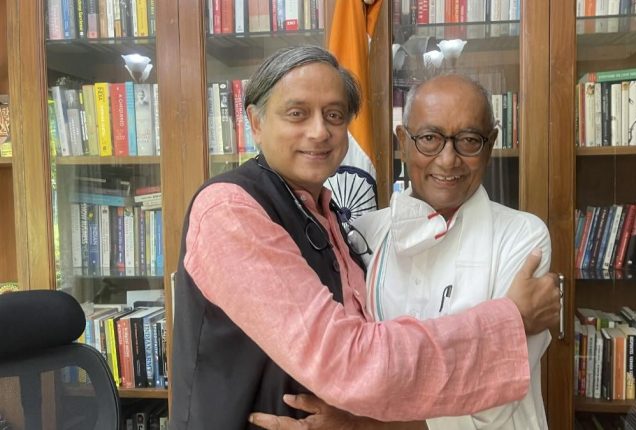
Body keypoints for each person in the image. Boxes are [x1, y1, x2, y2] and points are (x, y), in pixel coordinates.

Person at [169, 46, 560, 430]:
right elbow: (350, 361)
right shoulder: (232, 210)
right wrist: (510, 319)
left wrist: (362, 425)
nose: (319, 131)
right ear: (255, 123)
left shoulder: (333, 221)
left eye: (334, 115)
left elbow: (493, 406)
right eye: (297, 113)